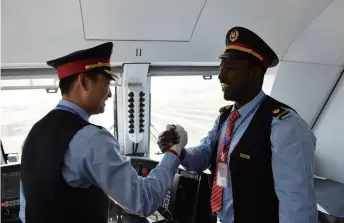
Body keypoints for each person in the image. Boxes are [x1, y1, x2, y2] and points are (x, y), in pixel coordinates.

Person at [157, 27, 317, 223]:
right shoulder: (225, 118)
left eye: (229, 67)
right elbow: (206, 153)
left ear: (254, 72)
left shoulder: (284, 126)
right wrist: (179, 151)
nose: (221, 76)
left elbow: (297, 208)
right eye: (221, 66)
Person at [20, 42, 187, 223]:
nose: (109, 94)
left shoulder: (34, 133)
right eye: (106, 83)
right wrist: (173, 152)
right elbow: (143, 201)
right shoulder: (93, 140)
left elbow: (26, 210)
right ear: (83, 82)